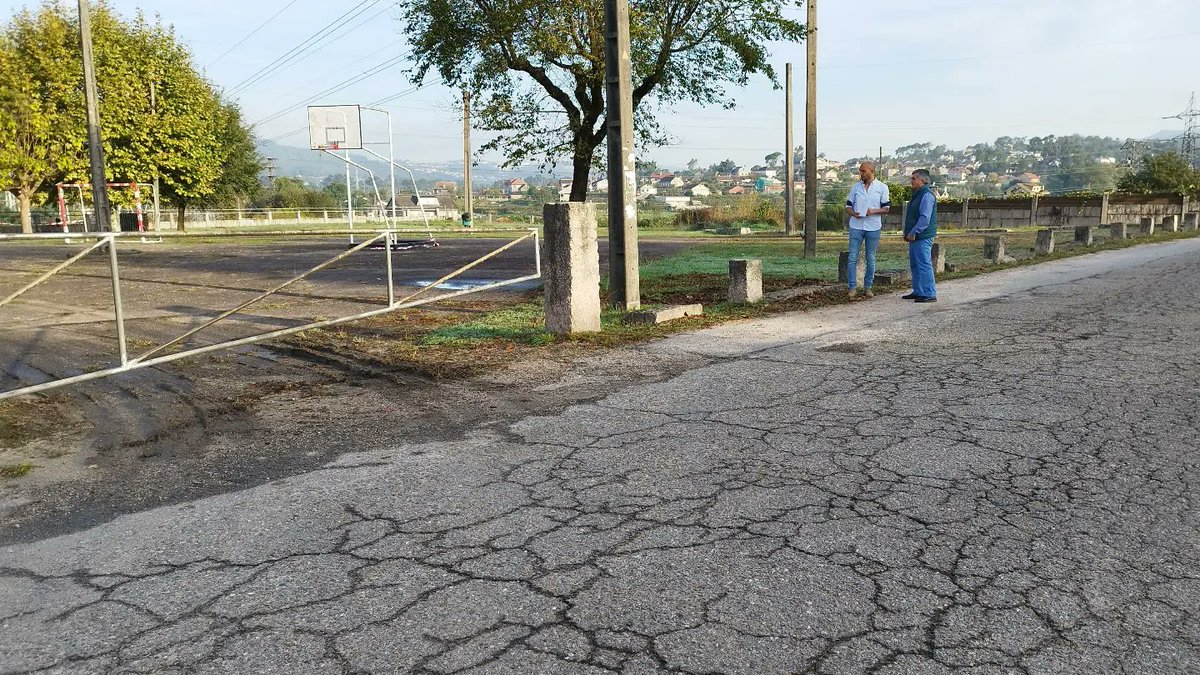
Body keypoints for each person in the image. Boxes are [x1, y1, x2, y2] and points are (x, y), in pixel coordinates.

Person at [844, 161, 890, 298]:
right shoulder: (855, 188)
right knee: (852, 257)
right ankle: (852, 287)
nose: (861, 174)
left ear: (871, 171)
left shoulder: (882, 187)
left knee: (871, 257)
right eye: (860, 171)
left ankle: (868, 287)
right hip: (856, 226)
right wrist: (854, 213)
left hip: (873, 226)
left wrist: (873, 211)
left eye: (863, 171)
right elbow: (847, 206)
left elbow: (886, 208)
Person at [903, 169, 938, 303]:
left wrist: (913, 232)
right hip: (916, 236)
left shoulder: (926, 195)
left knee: (923, 264)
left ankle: (929, 292)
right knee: (915, 264)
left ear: (922, 180)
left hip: (922, 235)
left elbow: (924, 218)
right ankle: (919, 290)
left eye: (914, 178)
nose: (911, 181)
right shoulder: (918, 194)